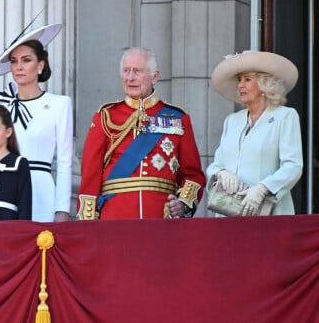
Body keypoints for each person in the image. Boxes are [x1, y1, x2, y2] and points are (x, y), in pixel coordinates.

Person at [77, 47, 206, 220]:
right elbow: (90, 175)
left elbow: (193, 174)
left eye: (137, 71)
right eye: (126, 71)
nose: (130, 78)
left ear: (155, 76)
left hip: (160, 218)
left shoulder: (177, 118)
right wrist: (88, 222)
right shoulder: (106, 116)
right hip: (114, 217)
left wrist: (182, 204)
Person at [0, 23, 73, 222]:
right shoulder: (1, 103)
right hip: (4, 187)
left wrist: (62, 209)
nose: (19, 67)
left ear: (40, 65)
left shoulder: (59, 104)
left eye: (26, 60)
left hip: (41, 190)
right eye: (14, 61)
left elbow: (64, 161)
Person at [206, 51, 303, 215]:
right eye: (239, 80)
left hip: (269, 214)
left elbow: (293, 166)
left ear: (265, 84)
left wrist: (263, 188)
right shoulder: (232, 120)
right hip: (228, 213)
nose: (240, 85)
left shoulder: (285, 116)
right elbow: (215, 165)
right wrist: (221, 173)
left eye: (247, 79)